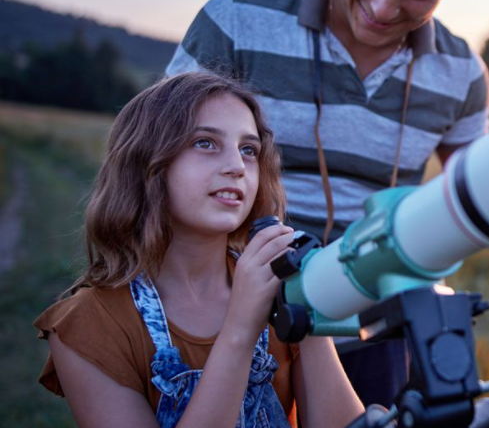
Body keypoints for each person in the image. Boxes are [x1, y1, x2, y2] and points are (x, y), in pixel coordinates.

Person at [165, 0, 489, 407]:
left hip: (374, 321)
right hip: (232, 306)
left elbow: (469, 205)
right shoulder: (238, 19)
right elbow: (158, 160)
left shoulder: (463, 75)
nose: (385, 7)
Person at [34, 72, 364, 428]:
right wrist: (240, 326)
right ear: (145, 162)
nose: (237, 167)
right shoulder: (89, 327)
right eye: (205, 143)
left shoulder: (278, 285)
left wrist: (307, 308)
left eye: (249, 150)